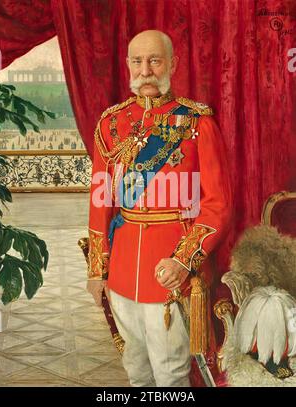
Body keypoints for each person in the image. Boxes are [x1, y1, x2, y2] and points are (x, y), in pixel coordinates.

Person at [87, 30, 232, 387]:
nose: (146, 70)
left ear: (172, 64)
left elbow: (217, 205)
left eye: (155, 60)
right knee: (136, 370)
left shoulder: (197, 123)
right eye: (137, 61)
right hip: (121, 269)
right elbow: (100, 201)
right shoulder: (110, 124)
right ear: (127, 65)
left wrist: (183, 262)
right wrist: (97, 269)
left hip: (170, 271)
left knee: (170, 374)